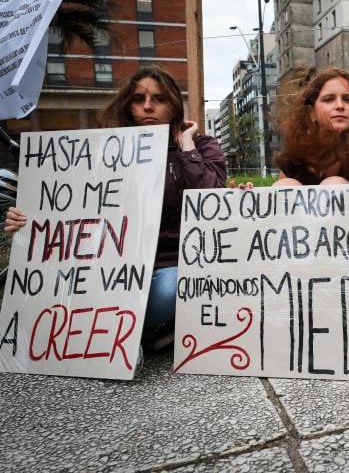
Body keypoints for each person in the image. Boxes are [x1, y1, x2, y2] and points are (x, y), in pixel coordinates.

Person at [4, 65, 226, 351]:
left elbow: (211, 200)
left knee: (177, 287)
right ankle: (128, 334)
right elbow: (68, 208)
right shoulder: (104, 152)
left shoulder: (201, 146)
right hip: (110, 269)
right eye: (138, 99)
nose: (148, 106)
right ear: (127, 105)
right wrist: (28, 221)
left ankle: (112, 334)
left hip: (172, 267)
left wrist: (186, 147)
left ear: (174, 105)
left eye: (159, 99)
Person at [271, 67, 349, 186]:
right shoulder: (296, 155)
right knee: (284, 185)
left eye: (347, 99)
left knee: (334, 183)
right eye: (329, 99)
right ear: (311, 112)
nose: (340, 106)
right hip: (304, 208)